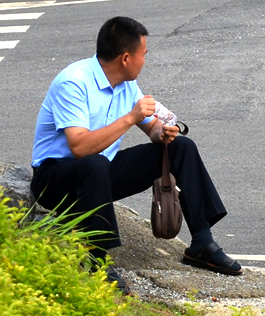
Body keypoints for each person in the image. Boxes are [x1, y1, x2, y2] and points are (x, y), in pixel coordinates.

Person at [30, 17, 241, 294]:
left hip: (100, 174)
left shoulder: (126, 82)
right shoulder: (73, 82)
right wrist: (131, 117)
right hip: (56, 179)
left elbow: (150, 126)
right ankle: (96, 259)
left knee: (181, 147)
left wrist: (162, 133)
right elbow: (79, 148)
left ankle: (201, 242)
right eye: (143, 55)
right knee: (93, 162)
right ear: (126, 58)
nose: (145, 61)